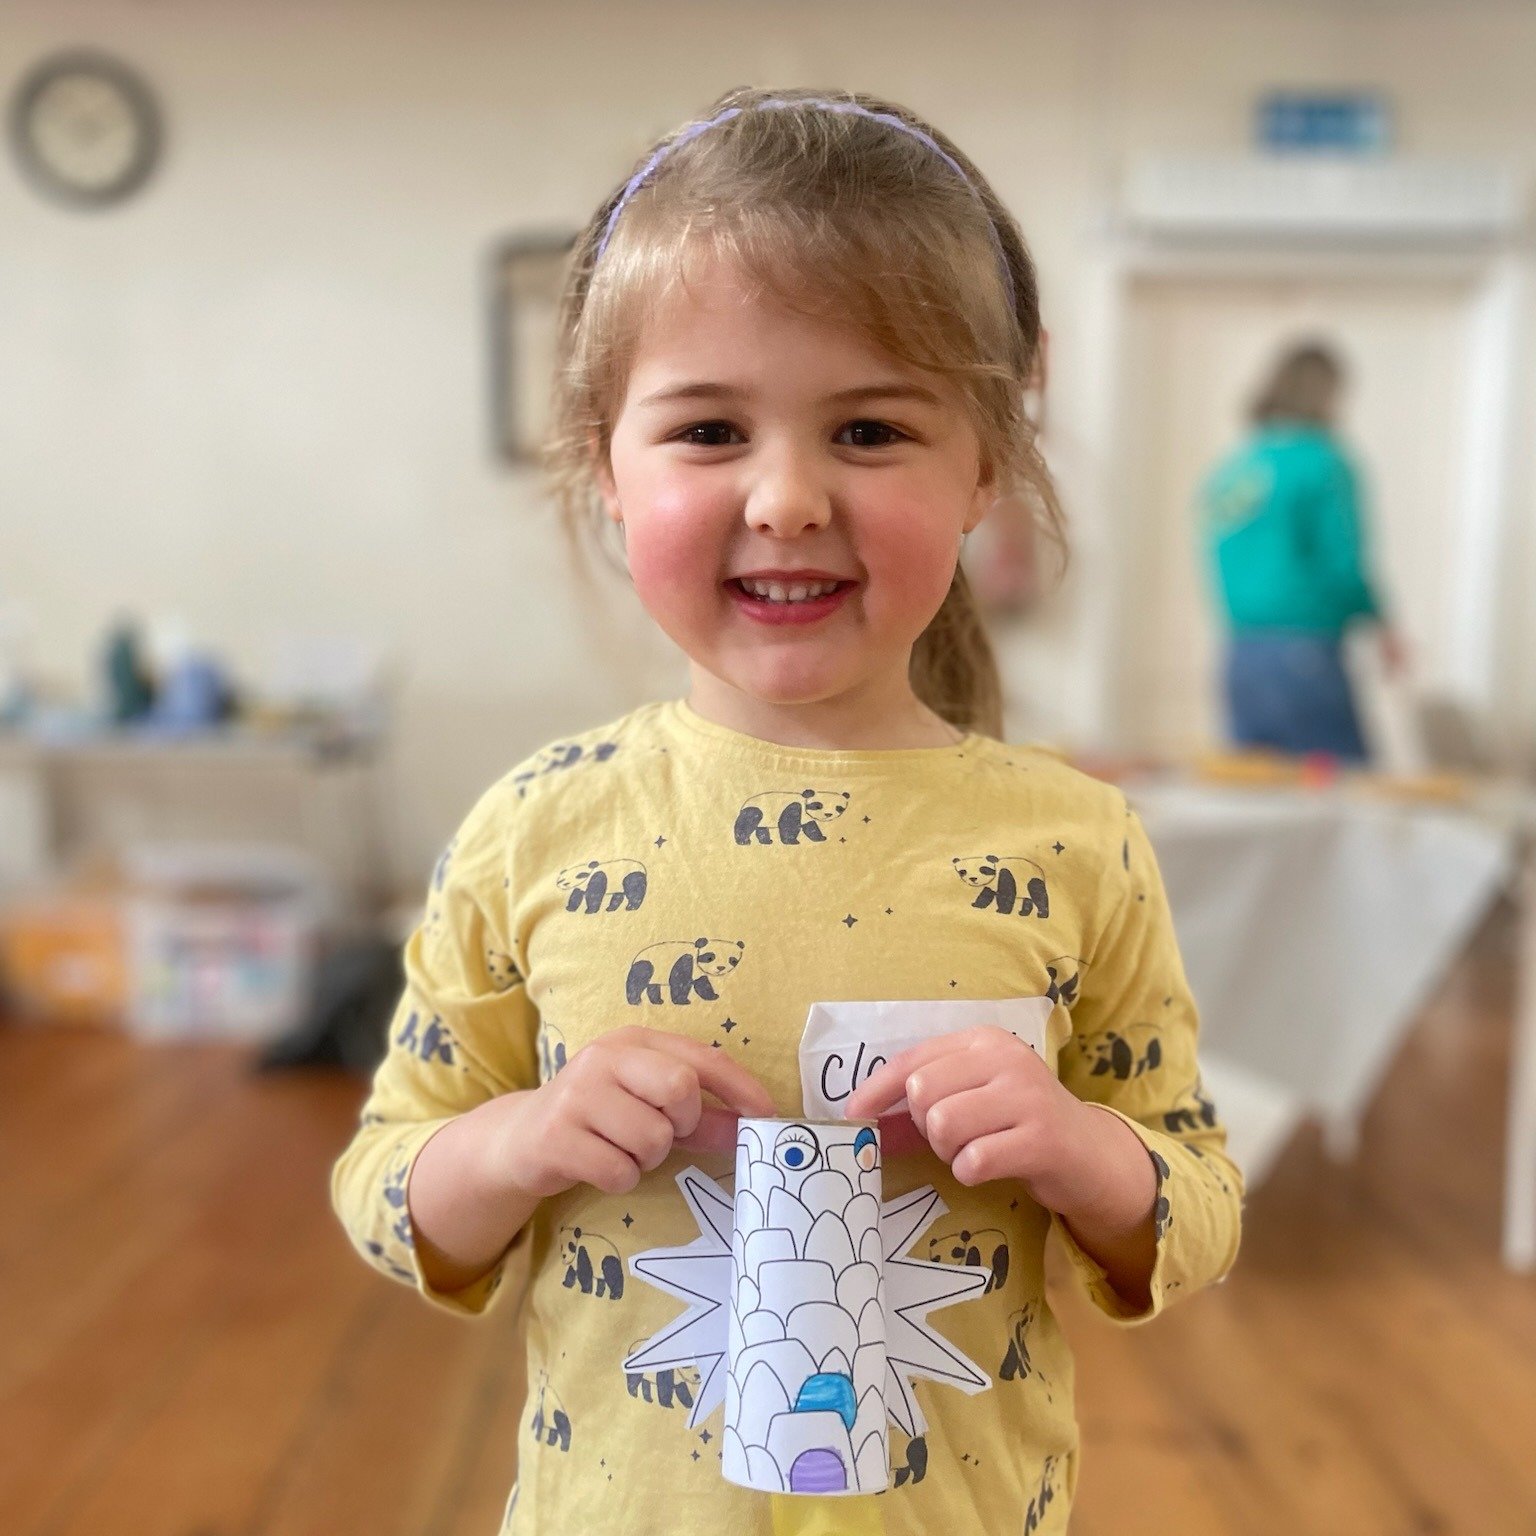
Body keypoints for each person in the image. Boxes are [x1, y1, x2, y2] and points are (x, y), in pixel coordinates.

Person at [332, 87, 1242, 1535]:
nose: (788, 497)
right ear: (605, 468)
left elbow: (1193, 1199)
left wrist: (1080, 1147)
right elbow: (389, 1192)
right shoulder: (532, 830)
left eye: (872, 429)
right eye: (706, 430)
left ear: (984, 469)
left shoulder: (1075, 841)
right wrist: (524, 1140)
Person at [1200, 341, 1401, 762]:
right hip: (1305, 654)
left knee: (1260, 795)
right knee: (1345, 797)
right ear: (1327, 394)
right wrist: (1382, 623)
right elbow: (1344, 562)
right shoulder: (1324, 462)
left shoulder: (1236, 469)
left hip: (1241, 654)